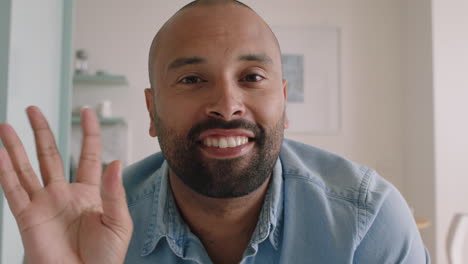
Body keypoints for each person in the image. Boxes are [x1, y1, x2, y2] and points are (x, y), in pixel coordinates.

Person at [0, 0, 430, 263]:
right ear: (152, 110)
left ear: (284, 102)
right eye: (191, 80)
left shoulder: (366, 220)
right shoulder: (95, 229)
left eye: (252, 77)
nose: (227, 105)